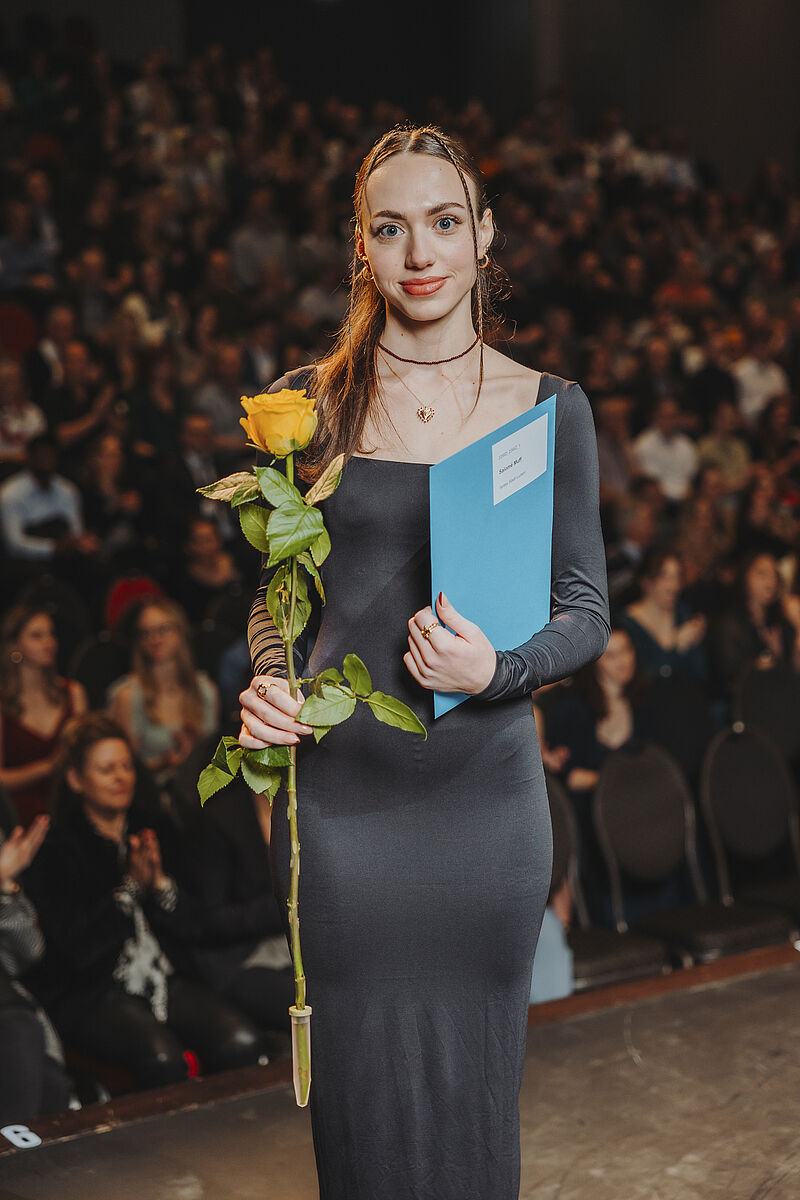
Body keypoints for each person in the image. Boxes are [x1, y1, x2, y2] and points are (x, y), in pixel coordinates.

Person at [238, 125, 610, 1200]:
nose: (419, 252)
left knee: (471, 1105)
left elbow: (584, 611)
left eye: (443, 222)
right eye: (390, 227)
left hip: (484, 808)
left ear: (483, 234)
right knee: (363, 1114)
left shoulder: (548, 407)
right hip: (342, 811)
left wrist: (496, 671)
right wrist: (268, 679)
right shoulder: (308, 405)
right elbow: (274, 599)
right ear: (360, 244)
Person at [21, 713, 269, 1090]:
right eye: (107, 769)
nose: (121, 777)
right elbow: (73, 947)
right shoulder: (57, 848)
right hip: (94, 989)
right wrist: (130, 890)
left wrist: (160, 886)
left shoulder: (153, 826)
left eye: (126, 766)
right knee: (162, 1058)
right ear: (76, 780)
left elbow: (196, 923)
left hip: (166, 975)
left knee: (240, 1040)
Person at [0, 814, 72, 1124]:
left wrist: (4, 886)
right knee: (20, 1030)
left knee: (51, 1087)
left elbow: (29, 952)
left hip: (11, 1003)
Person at [108, 598, 219, 787]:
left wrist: (193, 754)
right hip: (149, 791)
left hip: (199, 789)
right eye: (146, 633)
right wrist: (163, 764)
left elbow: (215, 757)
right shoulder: (128, 695)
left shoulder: (205, 690)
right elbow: (123, 766)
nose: (155, 638)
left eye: (163, 629)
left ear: (180, 632)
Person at [0, 604, 88, 826]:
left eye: (51, 634)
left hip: (70, 806)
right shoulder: (3, 703)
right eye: (37, 636)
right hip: (19, 814)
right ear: (15, 645)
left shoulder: (73, 693)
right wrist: (48, 767)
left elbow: (86, 756)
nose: (49, 642)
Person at [618, 548, 708, 683]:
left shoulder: (683, 613)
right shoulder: (626, 624)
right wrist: (678, 647)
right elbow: (641, 678)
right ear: (646, 581)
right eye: (665, 577)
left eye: (678, 576)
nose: (674, 585)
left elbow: (701, 674)